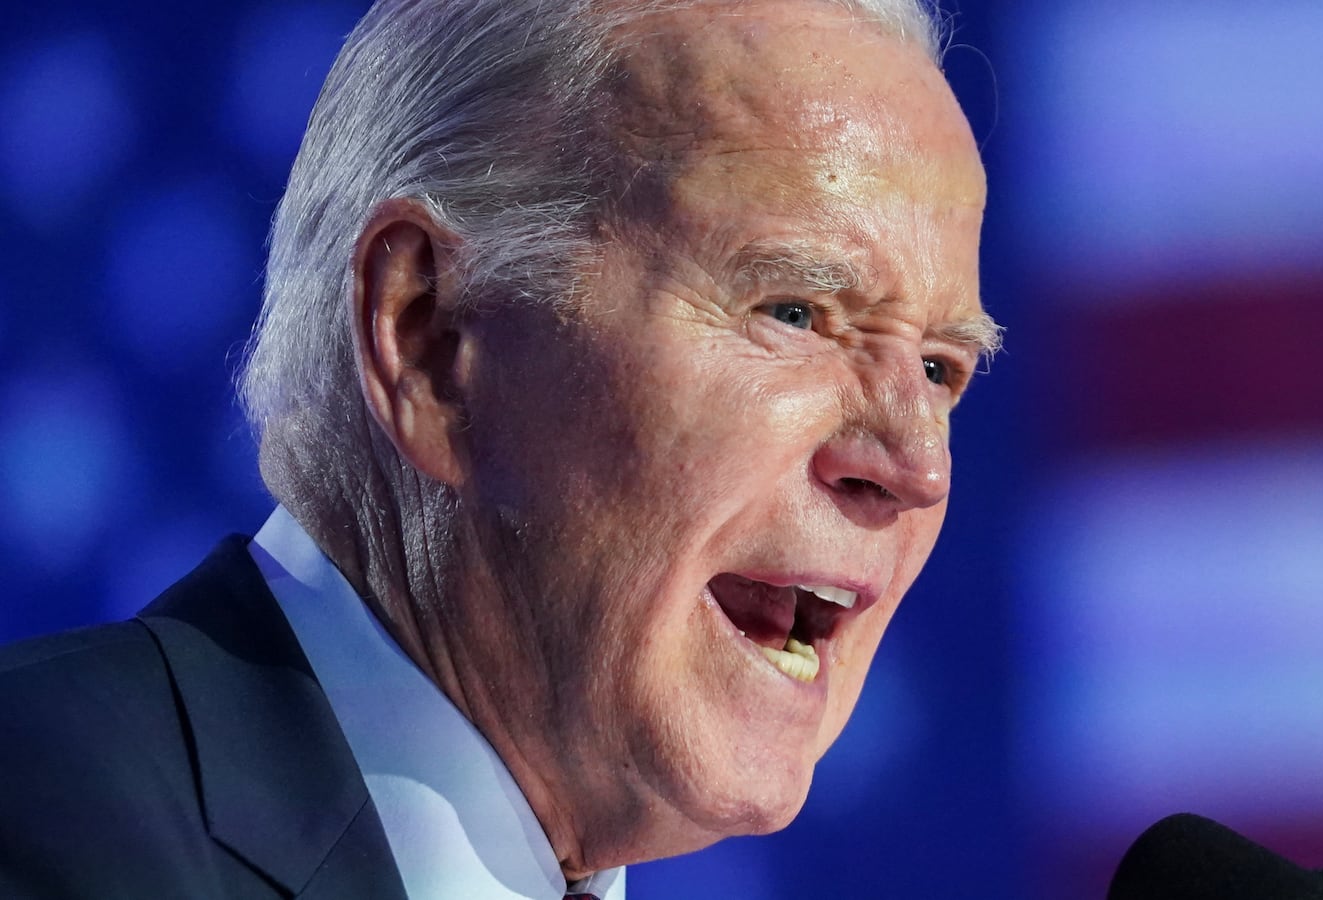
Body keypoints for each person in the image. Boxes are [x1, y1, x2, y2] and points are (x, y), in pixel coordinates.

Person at [0, 0, 999, 896]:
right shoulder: (50, 823)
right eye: (794, 312)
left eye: (940, 368)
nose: (916, 467)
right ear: (431, 337)